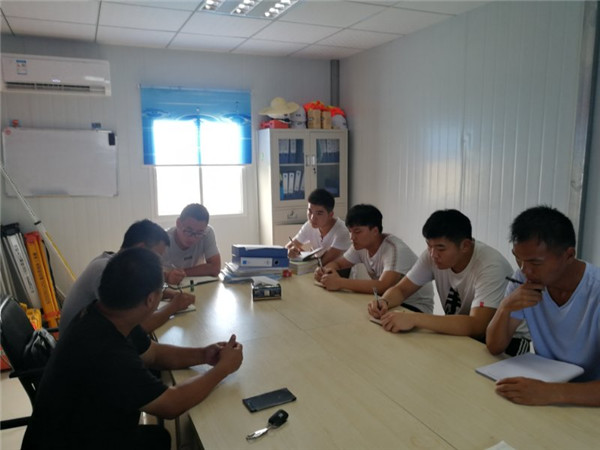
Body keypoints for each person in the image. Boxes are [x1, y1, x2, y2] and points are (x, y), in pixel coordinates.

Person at [22, 247, 243, 449]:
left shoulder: (103, 314)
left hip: (81, 430)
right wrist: (223, 369)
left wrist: (203, 354)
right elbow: (171, 404)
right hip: (76, 442)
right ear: (151, 300)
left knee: (158, 438)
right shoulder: (106, 350)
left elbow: (153, 354)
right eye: (161, 290)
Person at [486, 206, 600, 406]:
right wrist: (505, 307)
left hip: (586, 400)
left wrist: (552, 392)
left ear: (569, 255)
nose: (525, 270)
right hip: (544, 387)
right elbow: (495, 346)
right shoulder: (522, 280)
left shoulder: (595, 291)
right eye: (518, 259)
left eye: (535, 263)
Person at [368, 209, 530, 349]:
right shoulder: (432, 255)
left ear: (465, 246)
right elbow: (402, 290)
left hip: (508, 341)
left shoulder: (490, 265)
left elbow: (478, 325)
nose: (433, 254)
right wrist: (384, 301)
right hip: (463, 333)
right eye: (429, 246)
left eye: (440, 248)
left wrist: (414, 319)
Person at [60, 219, 194, 334]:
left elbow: (136, 294)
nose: (157, 264)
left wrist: (170, 294)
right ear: (141, 248)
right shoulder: (105, 271)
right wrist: (173, 307)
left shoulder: (118, 266)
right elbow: (137, 328)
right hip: (81, 350)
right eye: (156, 257)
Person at [315, 204, 433, 313]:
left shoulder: (394, 249)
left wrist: (340, 282)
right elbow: (338, 264)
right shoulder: (359, 246)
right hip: (387, 301)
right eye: (350, 232)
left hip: (414, 306)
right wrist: (326, 272)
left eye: (357, 232)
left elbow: (383, 286)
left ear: (375, 231)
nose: (352, 237)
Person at [286, 188, 351, 265]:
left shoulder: (342, 231)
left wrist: (306, 257)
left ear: (330, 215)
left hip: (340, 271)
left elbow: (323, 262)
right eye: (310, 211)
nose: (312, 218)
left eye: (319, 213)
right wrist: (291, 251)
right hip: (316, 269)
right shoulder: (309, 225)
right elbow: (287, 247)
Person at [163, 203, 221, 277]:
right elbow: (150, 274)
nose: (192, 238)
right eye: (188, 231)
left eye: (199, 233)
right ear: (178, 223)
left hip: (196, 281)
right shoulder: (162, 240)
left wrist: (182, 273)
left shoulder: (207, 232)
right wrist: (168, 277)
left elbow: (215, 268)